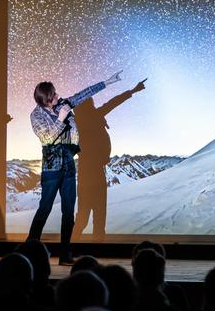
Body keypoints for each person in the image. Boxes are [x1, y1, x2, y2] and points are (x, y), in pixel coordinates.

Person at [27, 72, 122, 265]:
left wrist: (107, 81)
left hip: (69, 165)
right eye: (53, 96)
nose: (57, 96)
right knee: (44, 209)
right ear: (46, 101)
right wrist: (60, 119)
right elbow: (46, 138)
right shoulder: (36, 115)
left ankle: (65, 254)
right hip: (52, 168)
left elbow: (82, 94)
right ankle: (29, 250)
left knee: (68, 211)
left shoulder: (63, 104)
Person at [73, 78, 147, 240]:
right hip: (95, 173)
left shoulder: (77, 121)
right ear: (88, 104)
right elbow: (113, 103)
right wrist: (133, 91)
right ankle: (92, 248)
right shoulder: (92, 116)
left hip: (85, 173)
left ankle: (69, 248)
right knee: (98, 215)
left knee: (83, 216)